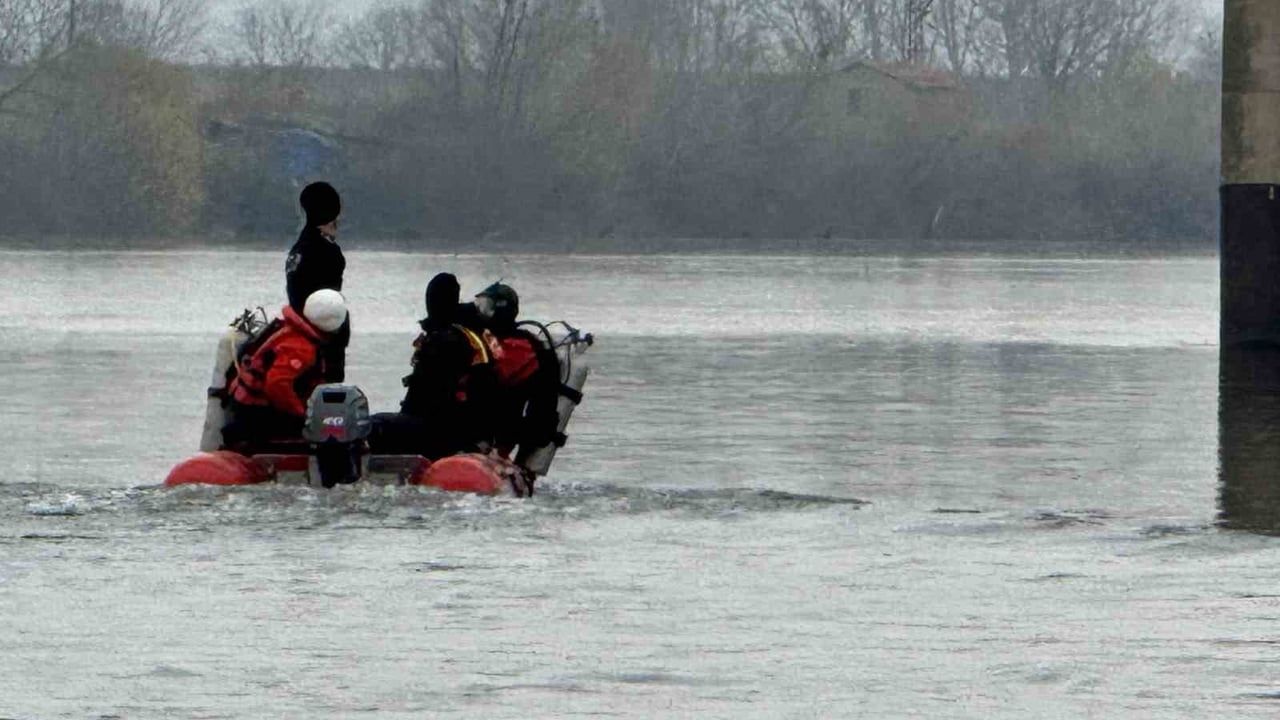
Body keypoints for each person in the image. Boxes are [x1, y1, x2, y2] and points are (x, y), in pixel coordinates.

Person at [369, 273, 498, 459]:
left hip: (445, 429)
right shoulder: (467, 334)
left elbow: (426, 394)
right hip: (462, 427)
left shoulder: (446, 340)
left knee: (370, 426)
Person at [222, 289, 348, 450]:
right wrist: (303, 416)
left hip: (249, 408)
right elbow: (276, 384)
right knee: (333, 435)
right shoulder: (301, 348)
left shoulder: (290, 329)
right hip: (258, 415)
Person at [471, 282, 561, 473]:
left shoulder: (523, 348)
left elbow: (542, 407)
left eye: (486, 307)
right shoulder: (478, 340)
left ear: (501, 309)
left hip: (502, 429)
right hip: (489, 428)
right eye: (479, 306)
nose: (481, 313)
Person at [286, 181, 348, 381]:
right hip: (323, 340)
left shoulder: (298, 249)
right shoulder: (327, 251)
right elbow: (330, 301)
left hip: (297, 332)